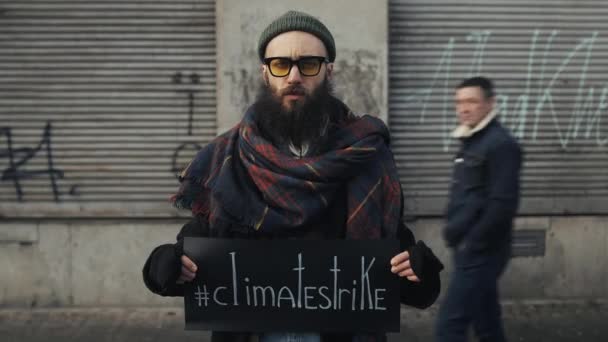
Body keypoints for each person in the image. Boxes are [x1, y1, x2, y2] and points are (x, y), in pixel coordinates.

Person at [143, 10, 443, 342]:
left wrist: (419, 268)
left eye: (309, 64)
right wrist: (164, 264)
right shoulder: (227, 158)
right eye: (281, 64)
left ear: (329, 70)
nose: (294, 76)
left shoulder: (366, 156)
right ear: (265, 73)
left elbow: (410, 280)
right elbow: (189, 252)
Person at [436, 76, 523, 342]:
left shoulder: (500, 144)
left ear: (490, 104)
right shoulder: (472, 139)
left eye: (472, 101)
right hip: (469, 247)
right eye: (459, 102)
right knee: (486, 322)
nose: (463, 108)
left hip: (482, 252)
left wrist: (472, 243)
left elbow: (503, 203)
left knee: (449, 326)